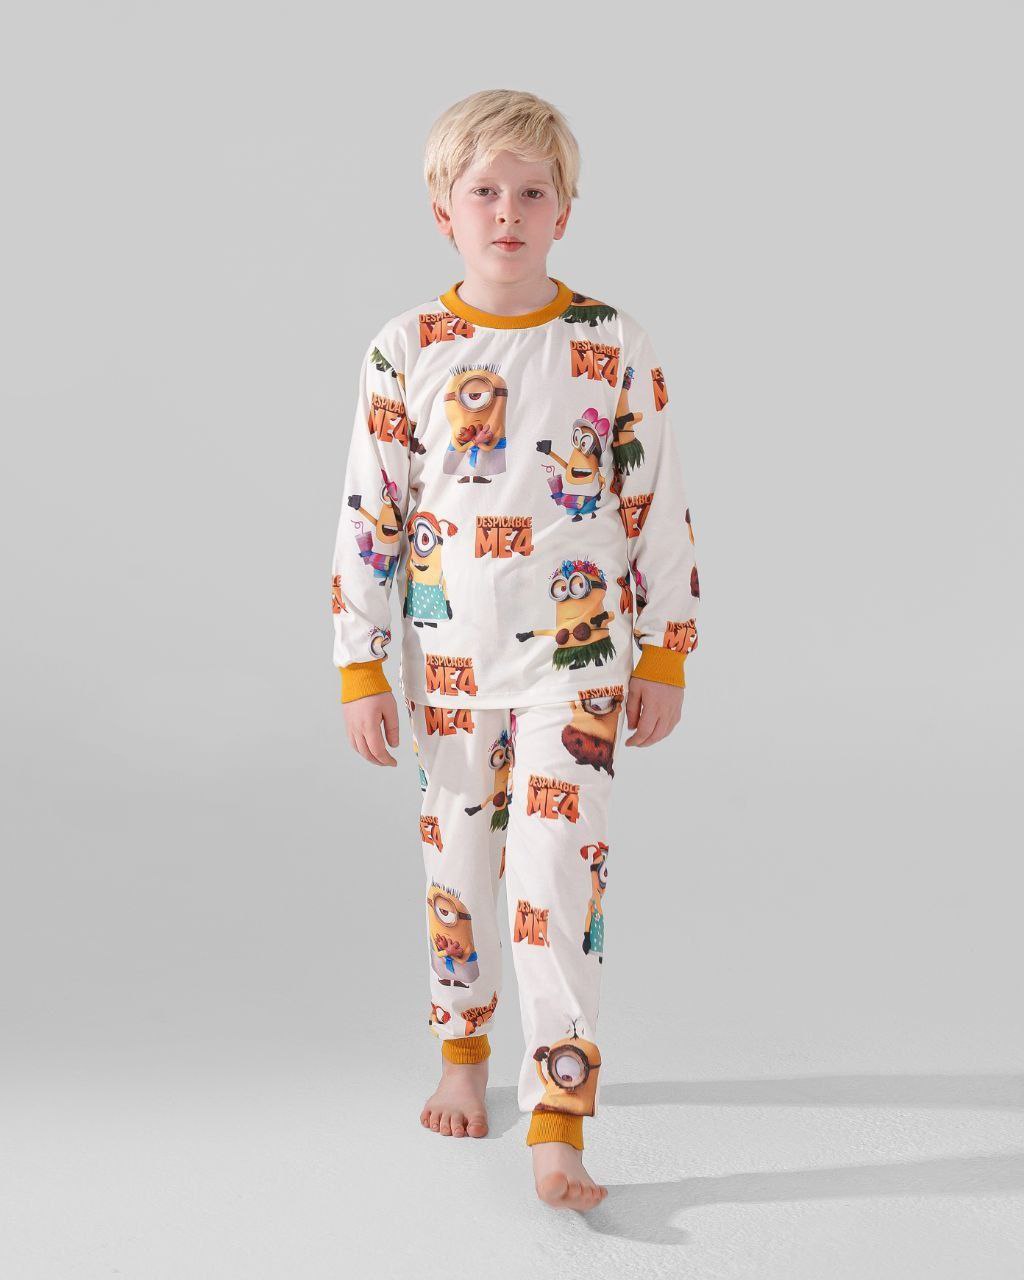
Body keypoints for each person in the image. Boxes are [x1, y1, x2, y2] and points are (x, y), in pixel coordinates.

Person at [330, 89, 700, 1213]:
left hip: (575, 673)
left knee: (555, 881)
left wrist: (665, 651)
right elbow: (371, 514)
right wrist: (360, 662)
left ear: (564, 212)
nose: (508, 212)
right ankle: (461, 1051)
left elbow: (655, 502)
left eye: (532, 192)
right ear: (443, 210)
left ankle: (557, 1118)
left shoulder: (612, 343)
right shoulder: (406, 348)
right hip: (447, 666)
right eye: (484, 191)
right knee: (457, 874)